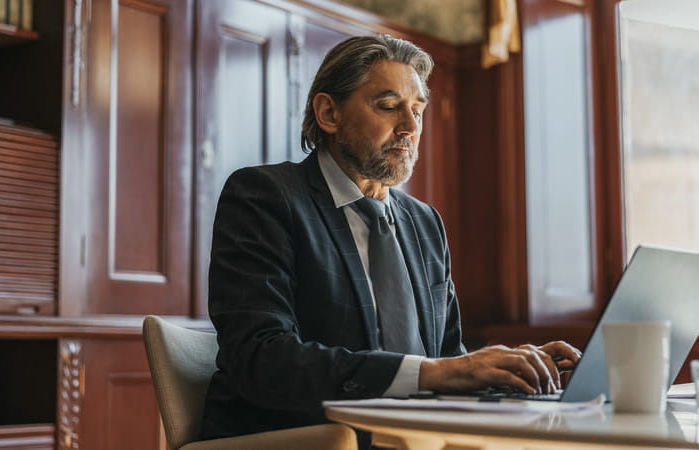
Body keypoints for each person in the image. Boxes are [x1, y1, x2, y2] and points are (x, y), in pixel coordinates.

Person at [200, 34, 581, 441]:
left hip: (419, 439)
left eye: (417, 110)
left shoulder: (424, 222)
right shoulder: (265, 196)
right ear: (329, 113)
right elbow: (261, 358)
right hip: (308, 439)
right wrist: (439, 372)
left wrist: (511, 373)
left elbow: (446, 361)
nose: (411, 127)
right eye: (388, 106)